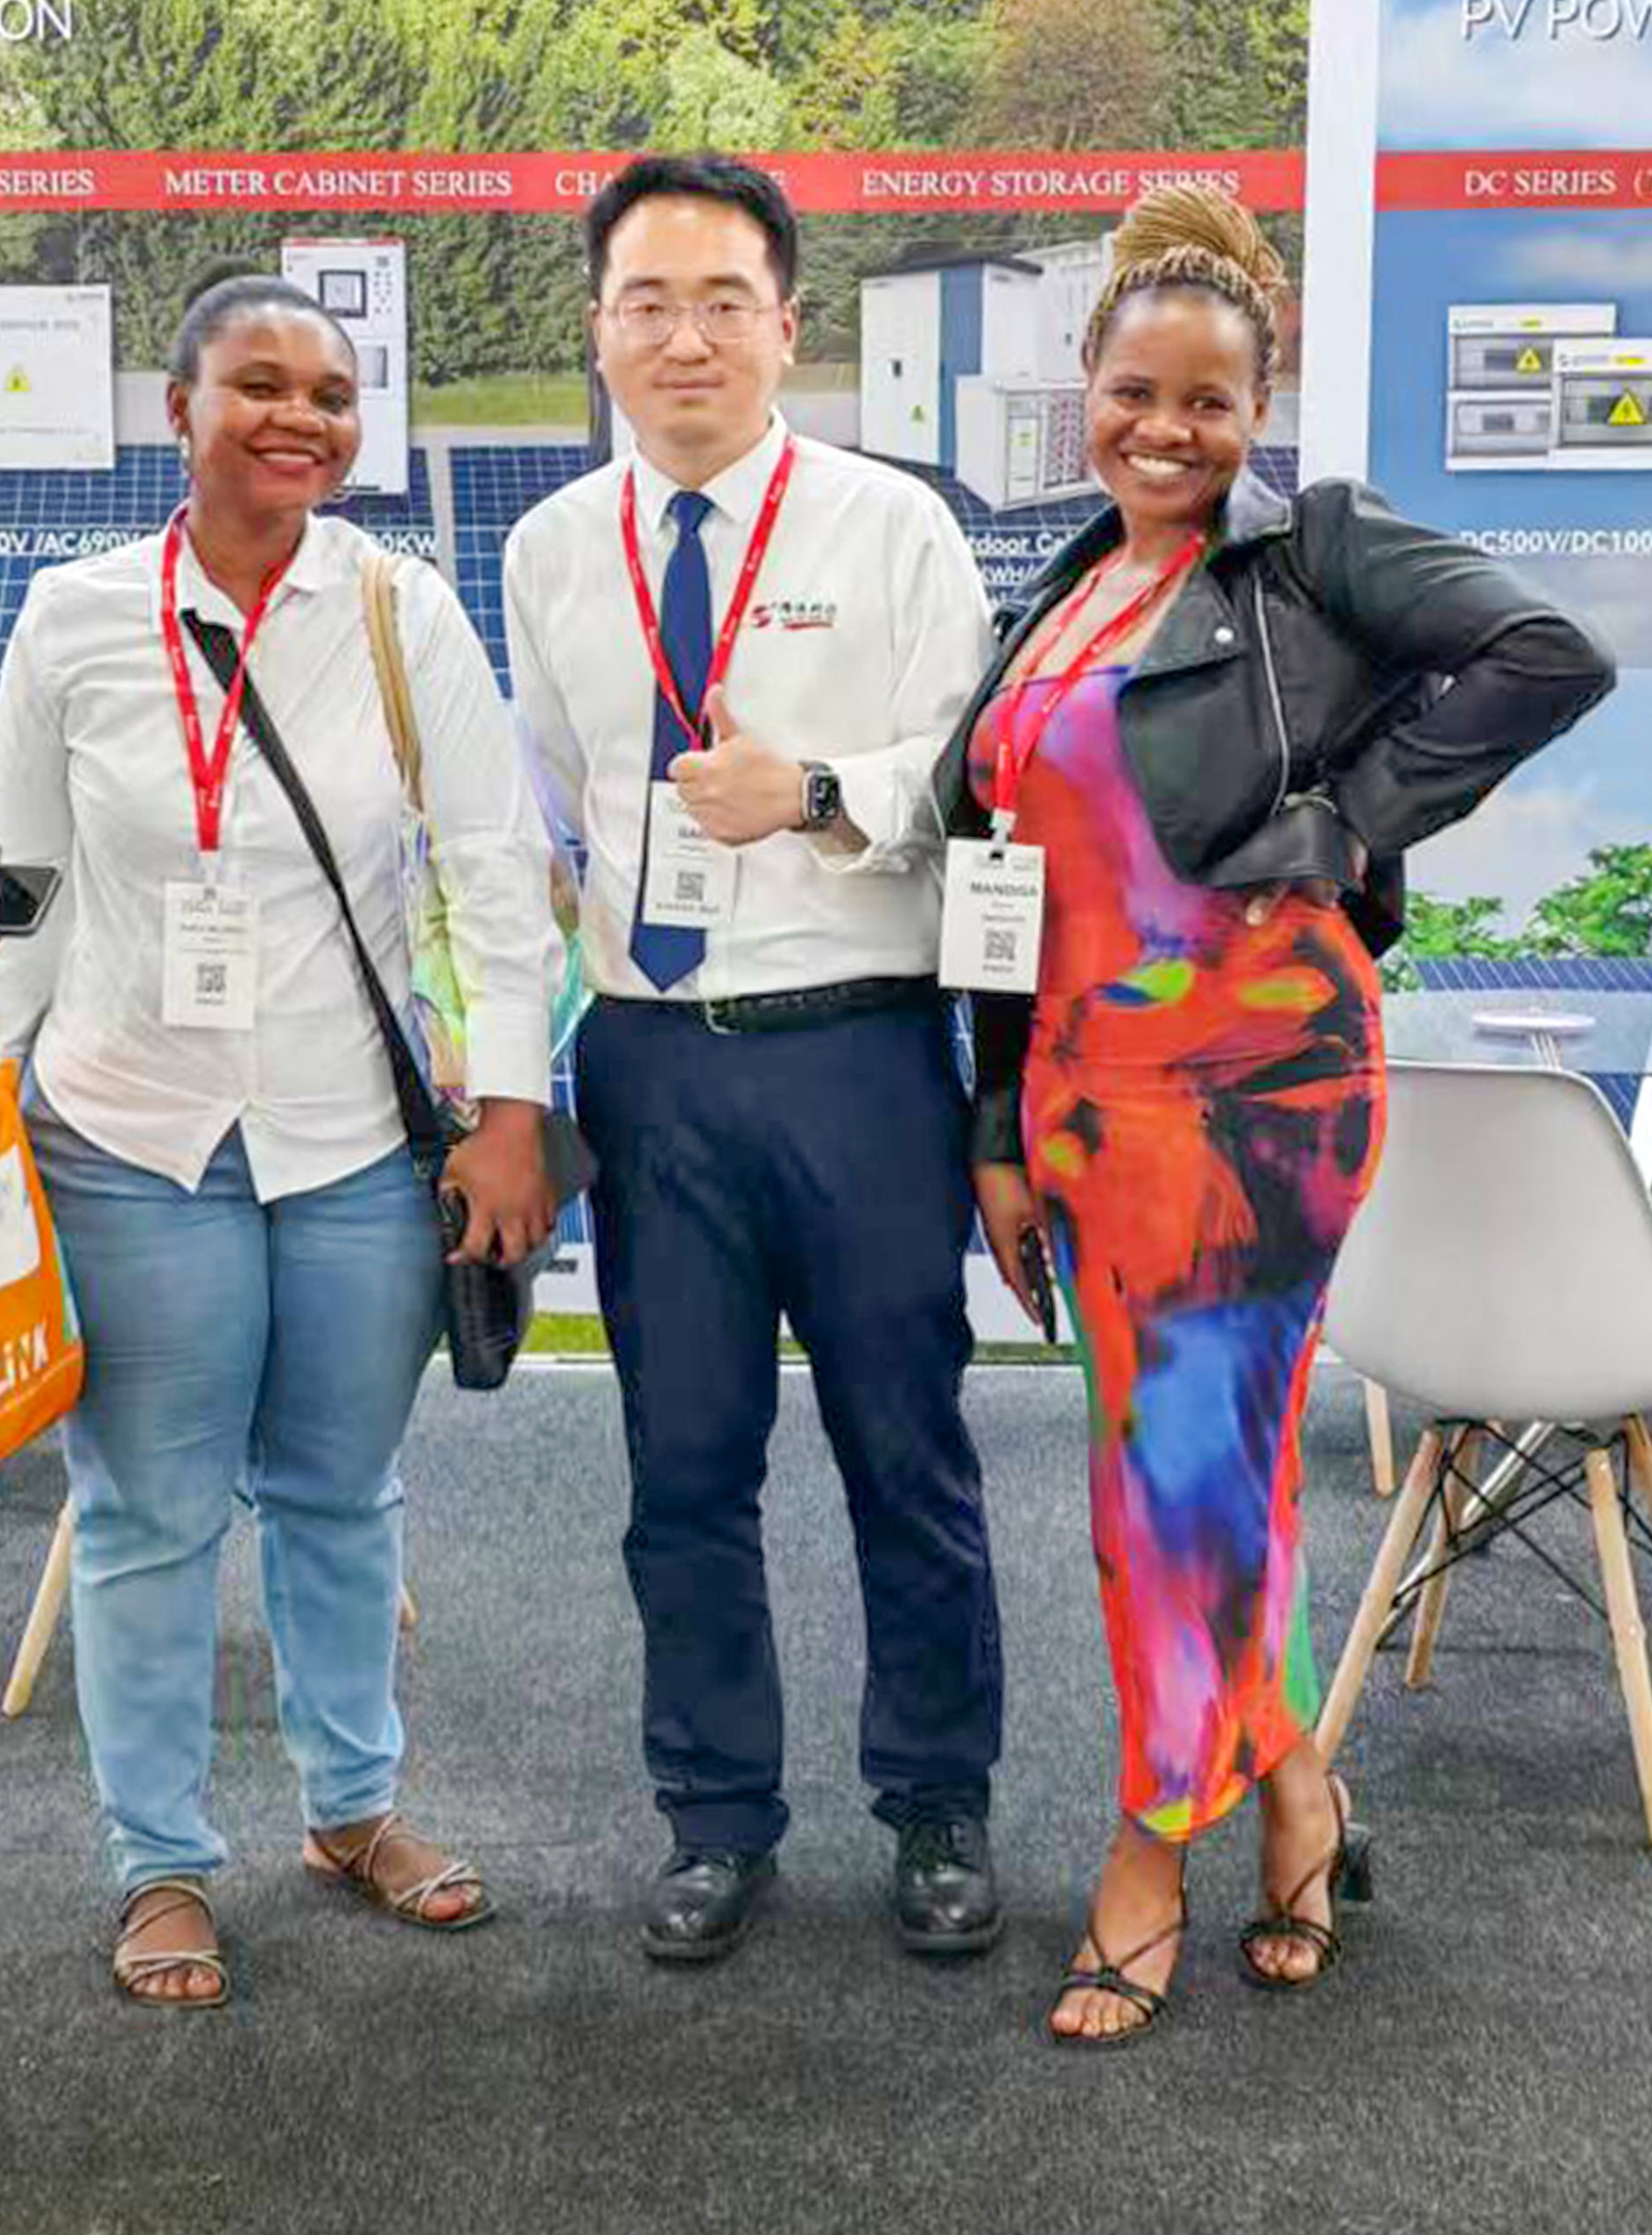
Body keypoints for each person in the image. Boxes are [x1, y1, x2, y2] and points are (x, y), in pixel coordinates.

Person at [934, 184, 1613, 2046]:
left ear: (1258, 408)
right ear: (1084, 385)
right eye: (1134, 394)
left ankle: (1152, 1841)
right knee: (1204, 1477)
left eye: (1208, 403)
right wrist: (996, 1122)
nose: (1165, 431)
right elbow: (1003, 884)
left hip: (1254, 1090)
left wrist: (1346, 820)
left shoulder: (1306, 553)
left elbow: (1546, 655)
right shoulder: (1059, 593)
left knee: (1166, 1488)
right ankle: (1298, 1788)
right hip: (1084, 1102)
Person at [0, 273, 562, 2009]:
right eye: (258, 384)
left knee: (337, 1495)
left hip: (349, 1144)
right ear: (179, 409)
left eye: (329, 392)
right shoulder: (75, 617)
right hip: (127, 1134)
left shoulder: (398, 610)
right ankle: (157, 1861)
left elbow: (493, 878)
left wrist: (512, 1113)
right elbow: (23, 898)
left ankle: (351, 1810)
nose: (298, 417)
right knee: (148, 1514)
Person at [501, 153, 1006, 1966]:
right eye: (647, 302)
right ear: (599, 331)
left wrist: (812, 794)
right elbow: (551, 815)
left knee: (904, 1452)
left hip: (858, 1056)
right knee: (684, 1467)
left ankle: (936, 1803)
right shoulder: (550, 550)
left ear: (789, 326)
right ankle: (714, 1816)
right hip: (653, 1071)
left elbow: (969, 786)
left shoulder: (892, 527)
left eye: (724, 302)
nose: (686, 337)